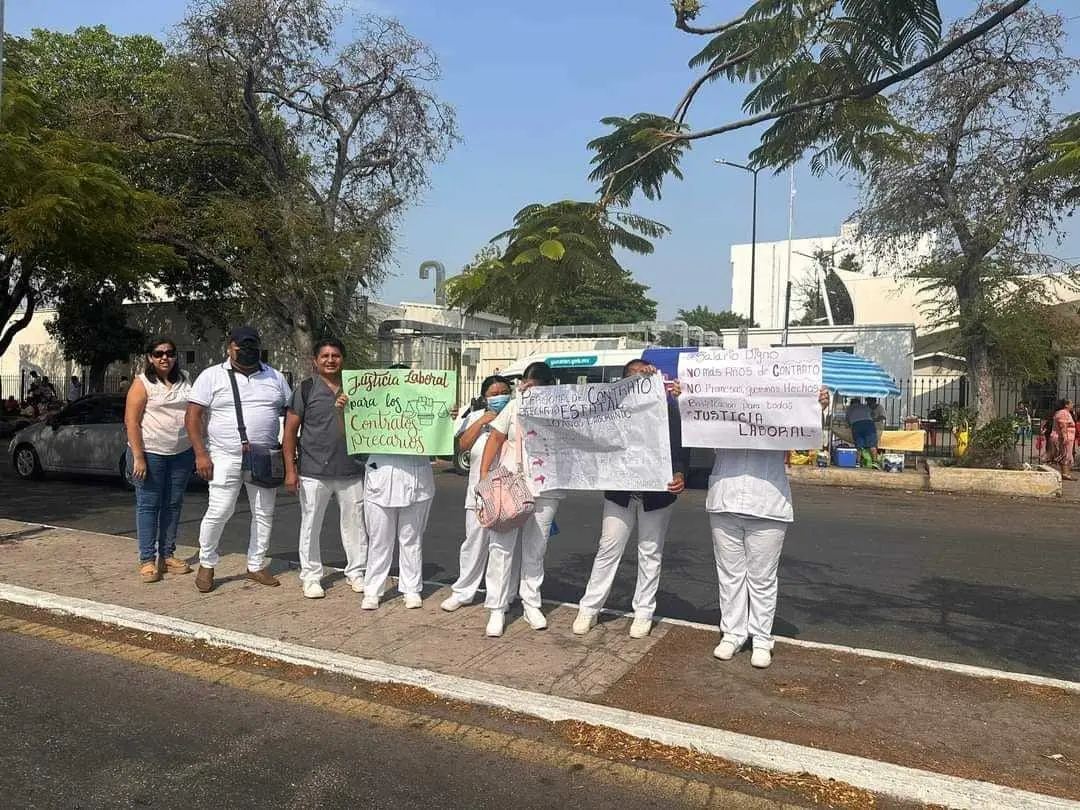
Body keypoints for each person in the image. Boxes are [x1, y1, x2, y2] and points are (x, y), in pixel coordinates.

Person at [692, 382, 831, 669]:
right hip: (725, 498)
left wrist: (815, 408)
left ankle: (761, 637)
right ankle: (732, 633)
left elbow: (805, 441)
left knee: (762, 578)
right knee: (730, 575)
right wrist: (690, 399)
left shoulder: (780, 414)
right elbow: (700, 433)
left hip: (768, 503)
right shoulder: (724, 412)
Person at [572, 359, 691, 639]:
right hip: (620, 494)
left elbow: (680, 443)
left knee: (650, 552)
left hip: (657, 494)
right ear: (623, 380)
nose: (640, 380)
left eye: (644, 375)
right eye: (634, 376)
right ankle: (589, 608)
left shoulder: (665, 407)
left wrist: (680, 473)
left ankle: (643, 613)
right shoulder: (612, 409)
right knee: (608, 548)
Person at [186, 327, 292, 593]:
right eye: (241, 346)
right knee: (220, 511)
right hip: (224, 456)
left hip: (265, 456)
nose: (246, 351)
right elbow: (193, 416)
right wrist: (200, 453)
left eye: (252, 346)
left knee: (264, 513)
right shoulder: (211, 376)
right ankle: (207, 563)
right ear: (229, 347)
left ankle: (255, 565)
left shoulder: (274, 376)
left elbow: (291, 413)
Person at [478, 361, 562, 638]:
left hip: (547, 487)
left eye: (539, 386)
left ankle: (531, 603)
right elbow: (495, 439)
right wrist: (483, 478)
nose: (531, 390)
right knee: (502, 548)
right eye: (528, 384)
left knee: (536, 548)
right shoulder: (515, 406)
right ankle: (497, 608)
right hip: (511, 484)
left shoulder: (561, 408)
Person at [361, 363, 455, 610]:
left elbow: (443, 450)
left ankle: (411, 588)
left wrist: (446, 420)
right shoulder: (372, 408)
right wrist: (344, 412)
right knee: (379, 541)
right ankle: (373, 590)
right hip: (380, 480)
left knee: (411, 539)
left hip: (417, 482)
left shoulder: (424, 406)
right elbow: (351, 436)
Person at [283, 338, 368, 600]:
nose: (330, 360)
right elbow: (289, 432)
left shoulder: (357, 388)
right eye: (325, 356)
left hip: (351, 469)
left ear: (343, 359)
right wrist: (290, 469)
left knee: (355, 524)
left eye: (335, 356)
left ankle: (356, 572)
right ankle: (310, 576)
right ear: (315, 361)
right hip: (313, 470)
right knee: (311, 524)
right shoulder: (306, 389)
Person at [440, 374, 517, 613]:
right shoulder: (476, 417)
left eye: (503, 392)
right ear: (485, 397)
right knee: (473, 543)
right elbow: (462, 445)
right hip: (478, 493)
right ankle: (463, 591)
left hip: (508, 495)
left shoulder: (516, 416)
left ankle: (504, 596)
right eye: (493, 394)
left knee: (503, 549)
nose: (499, 397)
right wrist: (484, 420)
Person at [124, 337, 195, 583]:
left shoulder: (185, 378)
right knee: (148, 506)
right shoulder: (142, 383)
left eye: (170, 353)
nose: (165, 357)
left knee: (173, 505)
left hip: (182, 453)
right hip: (151, 454)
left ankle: (167, 556)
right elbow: (131, 422)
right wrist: (138, 457)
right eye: (158, 353)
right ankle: (147, 560)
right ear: (150, 357)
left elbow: (195, 415)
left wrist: (199, 447)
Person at [1046, 398, 1076, 481]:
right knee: (1065, 455)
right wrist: (1065, 438)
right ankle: (1065, 473)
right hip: (1063, 438)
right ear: (1066, 405)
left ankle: (1065, 473)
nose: (1072, 405)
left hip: (1065, 438)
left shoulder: (1064, 413)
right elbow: (1063, 426)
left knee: (1064, 455)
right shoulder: (1063, 413)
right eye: (1071, 403)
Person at [846, 397, 877, 468]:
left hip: (856, 425)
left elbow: (847, 421)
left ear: (851, 403)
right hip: (868, 424)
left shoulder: (849, 409)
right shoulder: (865, 406)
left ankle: (858, 463)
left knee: (859, 446)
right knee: (872, 445)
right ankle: (875, 462)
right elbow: (873, 415)